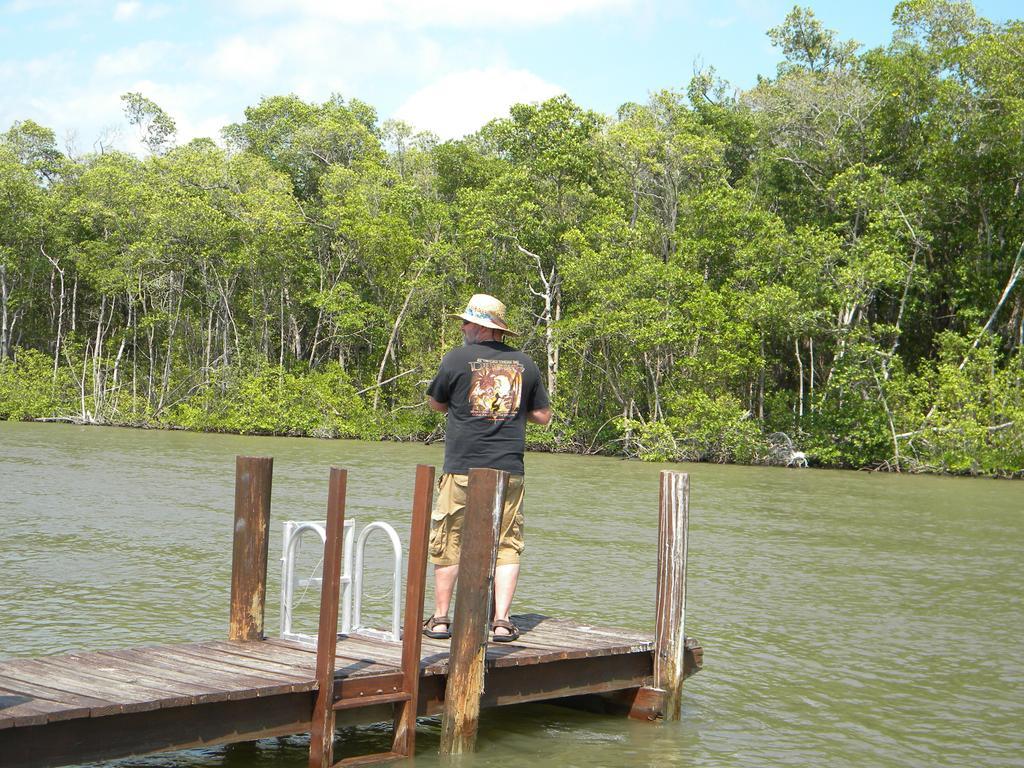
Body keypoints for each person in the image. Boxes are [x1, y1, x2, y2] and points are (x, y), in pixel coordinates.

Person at [423, 293, 551, 643]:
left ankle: (439, 620)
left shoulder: (455, 359)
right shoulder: (527, 363)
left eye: (465, 322)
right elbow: (543, 416)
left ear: (479, 326)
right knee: (508, 543)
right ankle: (501, 622)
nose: (462, 328)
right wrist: (510, 407)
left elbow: (436, 405)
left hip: (462, 466)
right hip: (508, 469)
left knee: (448, 538)